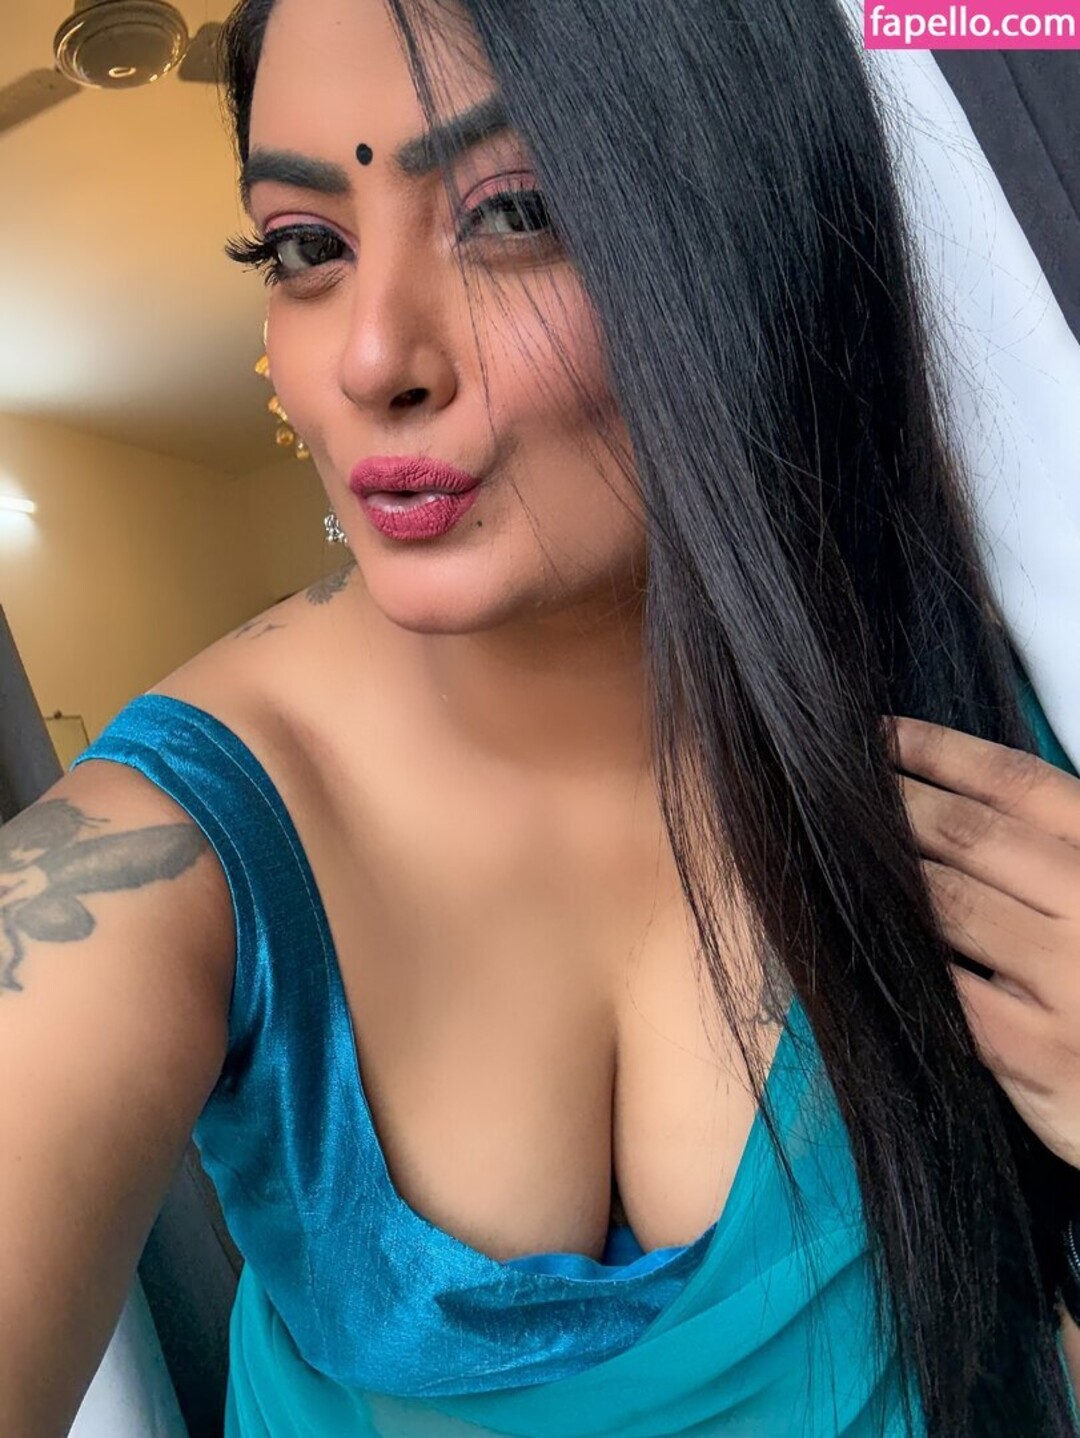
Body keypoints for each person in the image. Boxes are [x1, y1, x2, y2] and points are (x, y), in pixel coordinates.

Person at [2, 0, 1079, 1433]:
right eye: (305, 247)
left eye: (513, 214)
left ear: (739, 233)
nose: (373, 358)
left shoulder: (984, 728)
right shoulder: (158, 857)